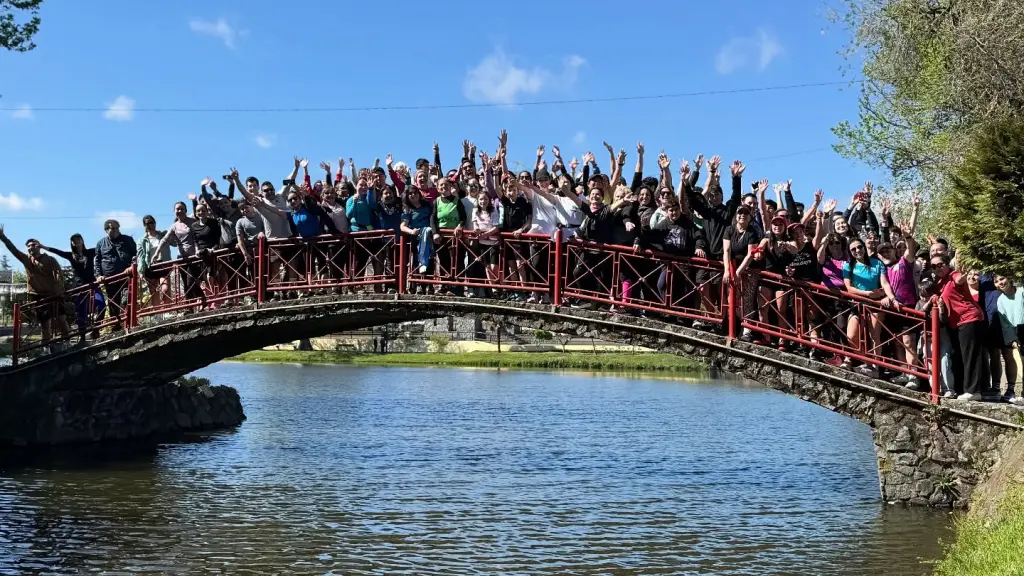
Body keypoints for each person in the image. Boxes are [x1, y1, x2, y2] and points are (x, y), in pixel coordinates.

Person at [0, 224, 71, 348]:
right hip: (38, 295)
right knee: (44, 323)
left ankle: (68, 342)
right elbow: (13, 249)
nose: (31, 247)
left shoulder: (50, 260)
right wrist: (3, 237)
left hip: (53, 293)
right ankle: (45, 347)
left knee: (61, 319)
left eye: (34, 245)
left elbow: (58, 274)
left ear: (39, 246)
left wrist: (59, 289)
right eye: (28, 246)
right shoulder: (26, 259)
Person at [933, 254, 989, 401]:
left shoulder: (953, 275)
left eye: (940, 265)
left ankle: (974, 391)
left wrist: (964, 272)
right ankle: (968, 389)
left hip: (969, 318)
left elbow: (959, 279)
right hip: (958, 322)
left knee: (970, 355)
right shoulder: (941, 282)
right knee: (963, 356)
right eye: (934, 266)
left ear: (947, 264)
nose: (937, 268)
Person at [42, 234, 105, 340]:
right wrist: (43, 247)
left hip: (92, 283)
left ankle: (96, 329)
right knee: (81, 312)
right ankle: (82, 336)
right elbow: (58, 252)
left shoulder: (90, 252)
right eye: (73, 241)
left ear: (82, 240)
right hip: (78, 286)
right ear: (72, 243)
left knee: (101, 304)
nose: (76, 242)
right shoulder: (71, 255)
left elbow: (103, 249)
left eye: (78, 239)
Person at [94, 219, 137, 328]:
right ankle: (115, 326)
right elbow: (97, 261)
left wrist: (131, 266)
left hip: (126, 276)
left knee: (127, 298)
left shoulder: (127, 240)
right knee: (113, 302)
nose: (116, 230)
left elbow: (136, 255)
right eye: (113, 228)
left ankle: (130, 323)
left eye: (117, 228)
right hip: (110, 278)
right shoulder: (100, 243)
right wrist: (99, 276)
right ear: (106, 230)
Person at [995, 275, 1024, 404]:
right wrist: (1012, 339)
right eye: (996, 281)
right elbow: (1005, 322)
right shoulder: (1000, 300)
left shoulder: (1021, 291)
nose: (1000, 283)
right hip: (1016, 331)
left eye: (1002, 279)